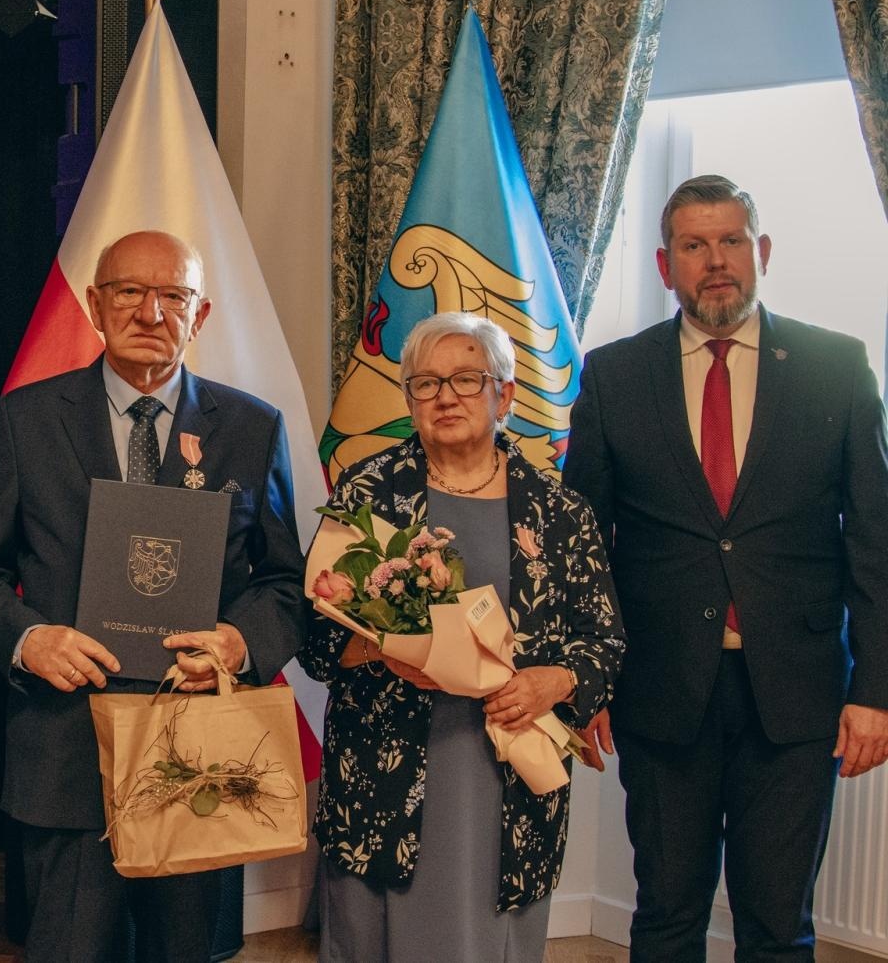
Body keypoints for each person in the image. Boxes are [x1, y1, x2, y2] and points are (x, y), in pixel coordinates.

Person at [0, 230, 306, 963]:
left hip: (201, 755)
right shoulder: (25, 420)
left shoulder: (251, 428)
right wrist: (28, 638)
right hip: (67, 746)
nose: (151, 310)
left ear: (199, 315)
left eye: (174, 295)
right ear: (94, 305)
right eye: (129, 292)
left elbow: (282, 582)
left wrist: (239, 644)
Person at [565, 174, 888, 960]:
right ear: (663, 263)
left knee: (778, 925)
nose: (716, 262)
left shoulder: (837, 367)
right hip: (661, 688)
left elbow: (875, 542)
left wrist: (874, 693)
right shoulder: (612, 377)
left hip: (798, 693)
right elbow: (582, 547)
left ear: (762, 252)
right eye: (694, 245)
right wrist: (587, 679)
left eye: (732, 241)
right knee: (667, 915)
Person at [300, 311, 624, 963]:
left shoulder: (559, 512)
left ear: (504, 394)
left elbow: (602, 640)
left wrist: (551, 682)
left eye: (467, 380)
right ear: (409, 399)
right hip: (384, 765)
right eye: (425, 383)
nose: (445, 396)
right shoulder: (370, 495)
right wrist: (388, 649)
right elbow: (314, 638)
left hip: (506, 769)